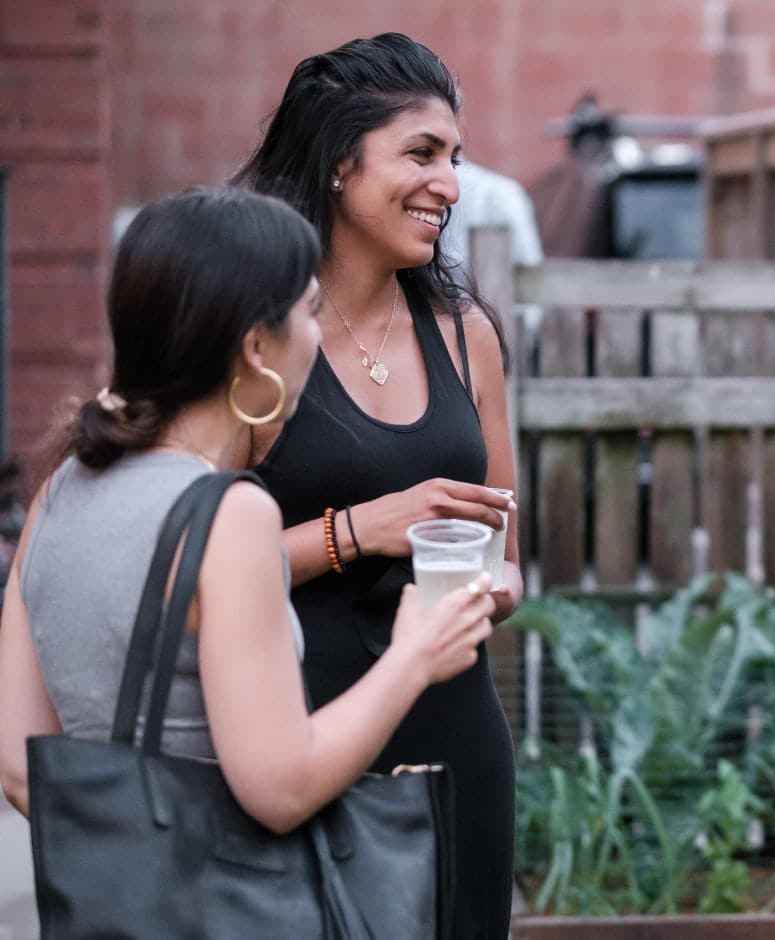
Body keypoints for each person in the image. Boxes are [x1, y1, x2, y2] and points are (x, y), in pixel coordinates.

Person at [0, 187, 496, 839]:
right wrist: (416, 656)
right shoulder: (230, 516)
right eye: (311, 312)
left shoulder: (62, 486)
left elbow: (17, 765)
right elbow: (282, 788)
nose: (319, 338)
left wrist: (136, 848)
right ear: (257, 348)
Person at [231, 33, 520, 939]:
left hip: (453, 739)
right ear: (337, 165)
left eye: (455, 159)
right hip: (296, 736)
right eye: (422, 154)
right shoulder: (251, 338)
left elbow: (509, 559)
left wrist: (489, 587)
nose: (451, 185)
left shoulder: (464, 331)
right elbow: (190, 569)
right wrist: (359, 530)